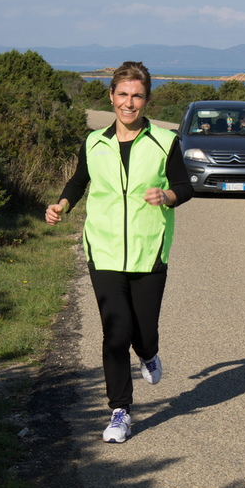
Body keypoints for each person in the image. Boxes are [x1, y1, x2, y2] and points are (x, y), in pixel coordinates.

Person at [45, 61, 193, 443]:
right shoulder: (95, 142)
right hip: (105, 251)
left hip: (148, 252)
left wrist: (167, 195)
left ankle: (149, 354)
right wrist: (62, 204)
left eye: (137, 96)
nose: (129, 103)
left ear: (146, 100)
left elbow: (185, 185)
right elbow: (79, 181)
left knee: (143, 334)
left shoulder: (164, 141)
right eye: (123, 94)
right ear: (111, 96)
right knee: (115, 332)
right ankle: (121, 411)